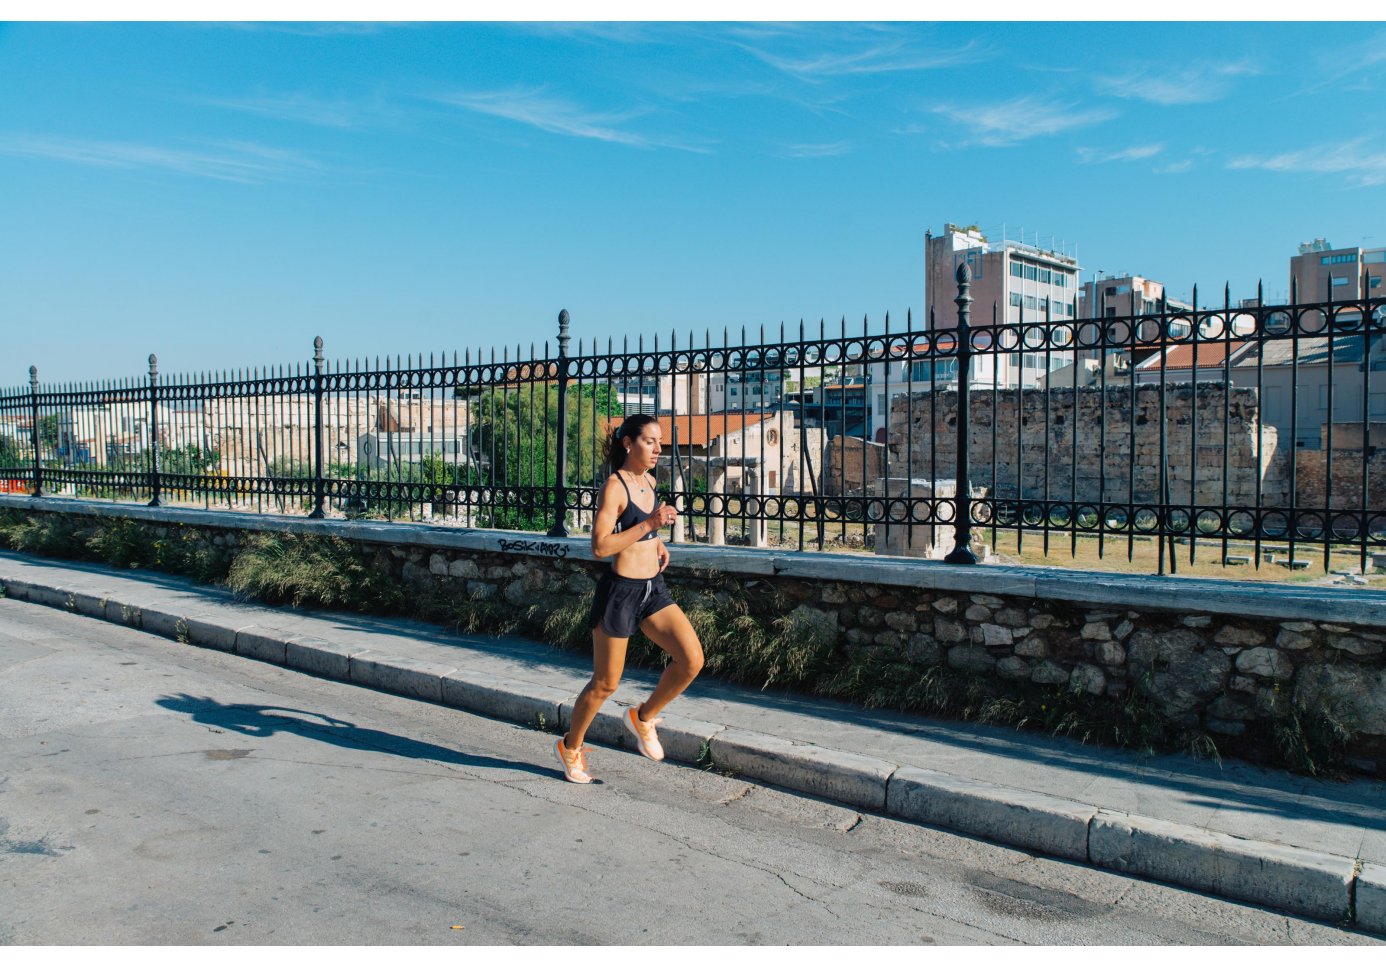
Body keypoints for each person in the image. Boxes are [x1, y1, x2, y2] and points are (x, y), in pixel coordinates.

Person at [554, 413, 705, 783]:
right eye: (650, 441)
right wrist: (650, 526)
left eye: (659, 442)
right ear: (628, 443)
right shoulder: (614, 487)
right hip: (620, 592)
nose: (658, 448)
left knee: (691, 660)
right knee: (606, 683)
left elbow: (641, 532)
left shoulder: (650, 481)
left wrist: (658, 542)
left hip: (653, 589)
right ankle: (570, 746)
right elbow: (600, 546)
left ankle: (643, 717)